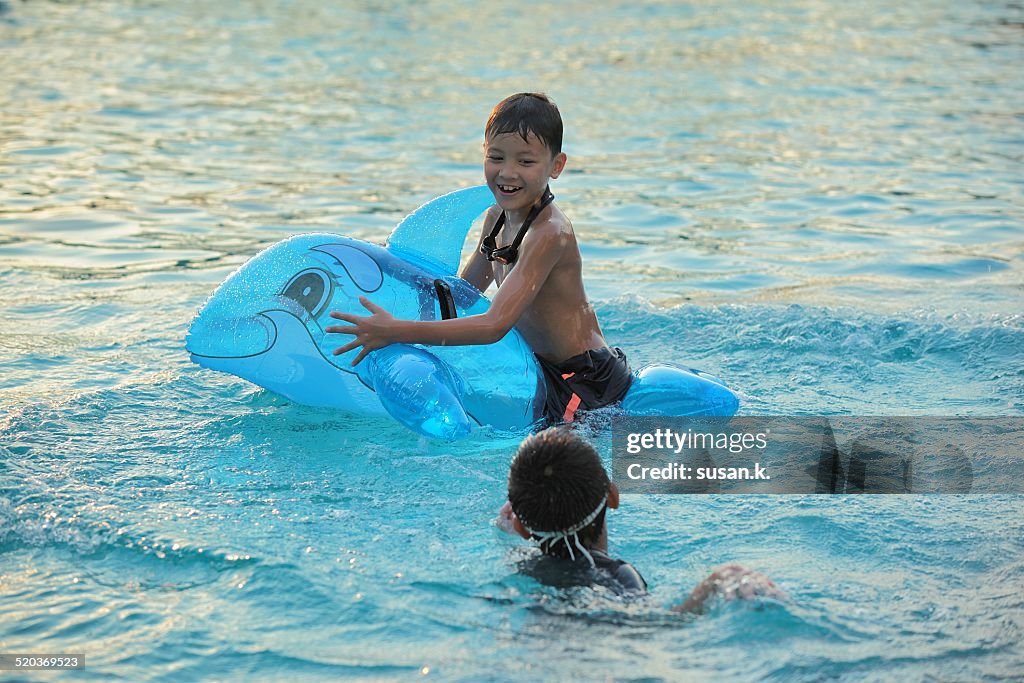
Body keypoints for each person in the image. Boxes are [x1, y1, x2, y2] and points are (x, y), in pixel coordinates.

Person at [326, 92, 632, 425]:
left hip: (583, 381)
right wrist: (401, 290)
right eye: (496, 158)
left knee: (553, 463)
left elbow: (493, 325)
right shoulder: (496, 218)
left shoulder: (549, 233)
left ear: (556, 166)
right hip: (536, 368)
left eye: (525, 162)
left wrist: (397, 331)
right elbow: (463, 295)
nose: (507, 173)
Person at [504, 426, 647, 594]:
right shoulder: (619, 577)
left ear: (520, 527)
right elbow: (664, 620)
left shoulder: (520, 563)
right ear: (612, 497)